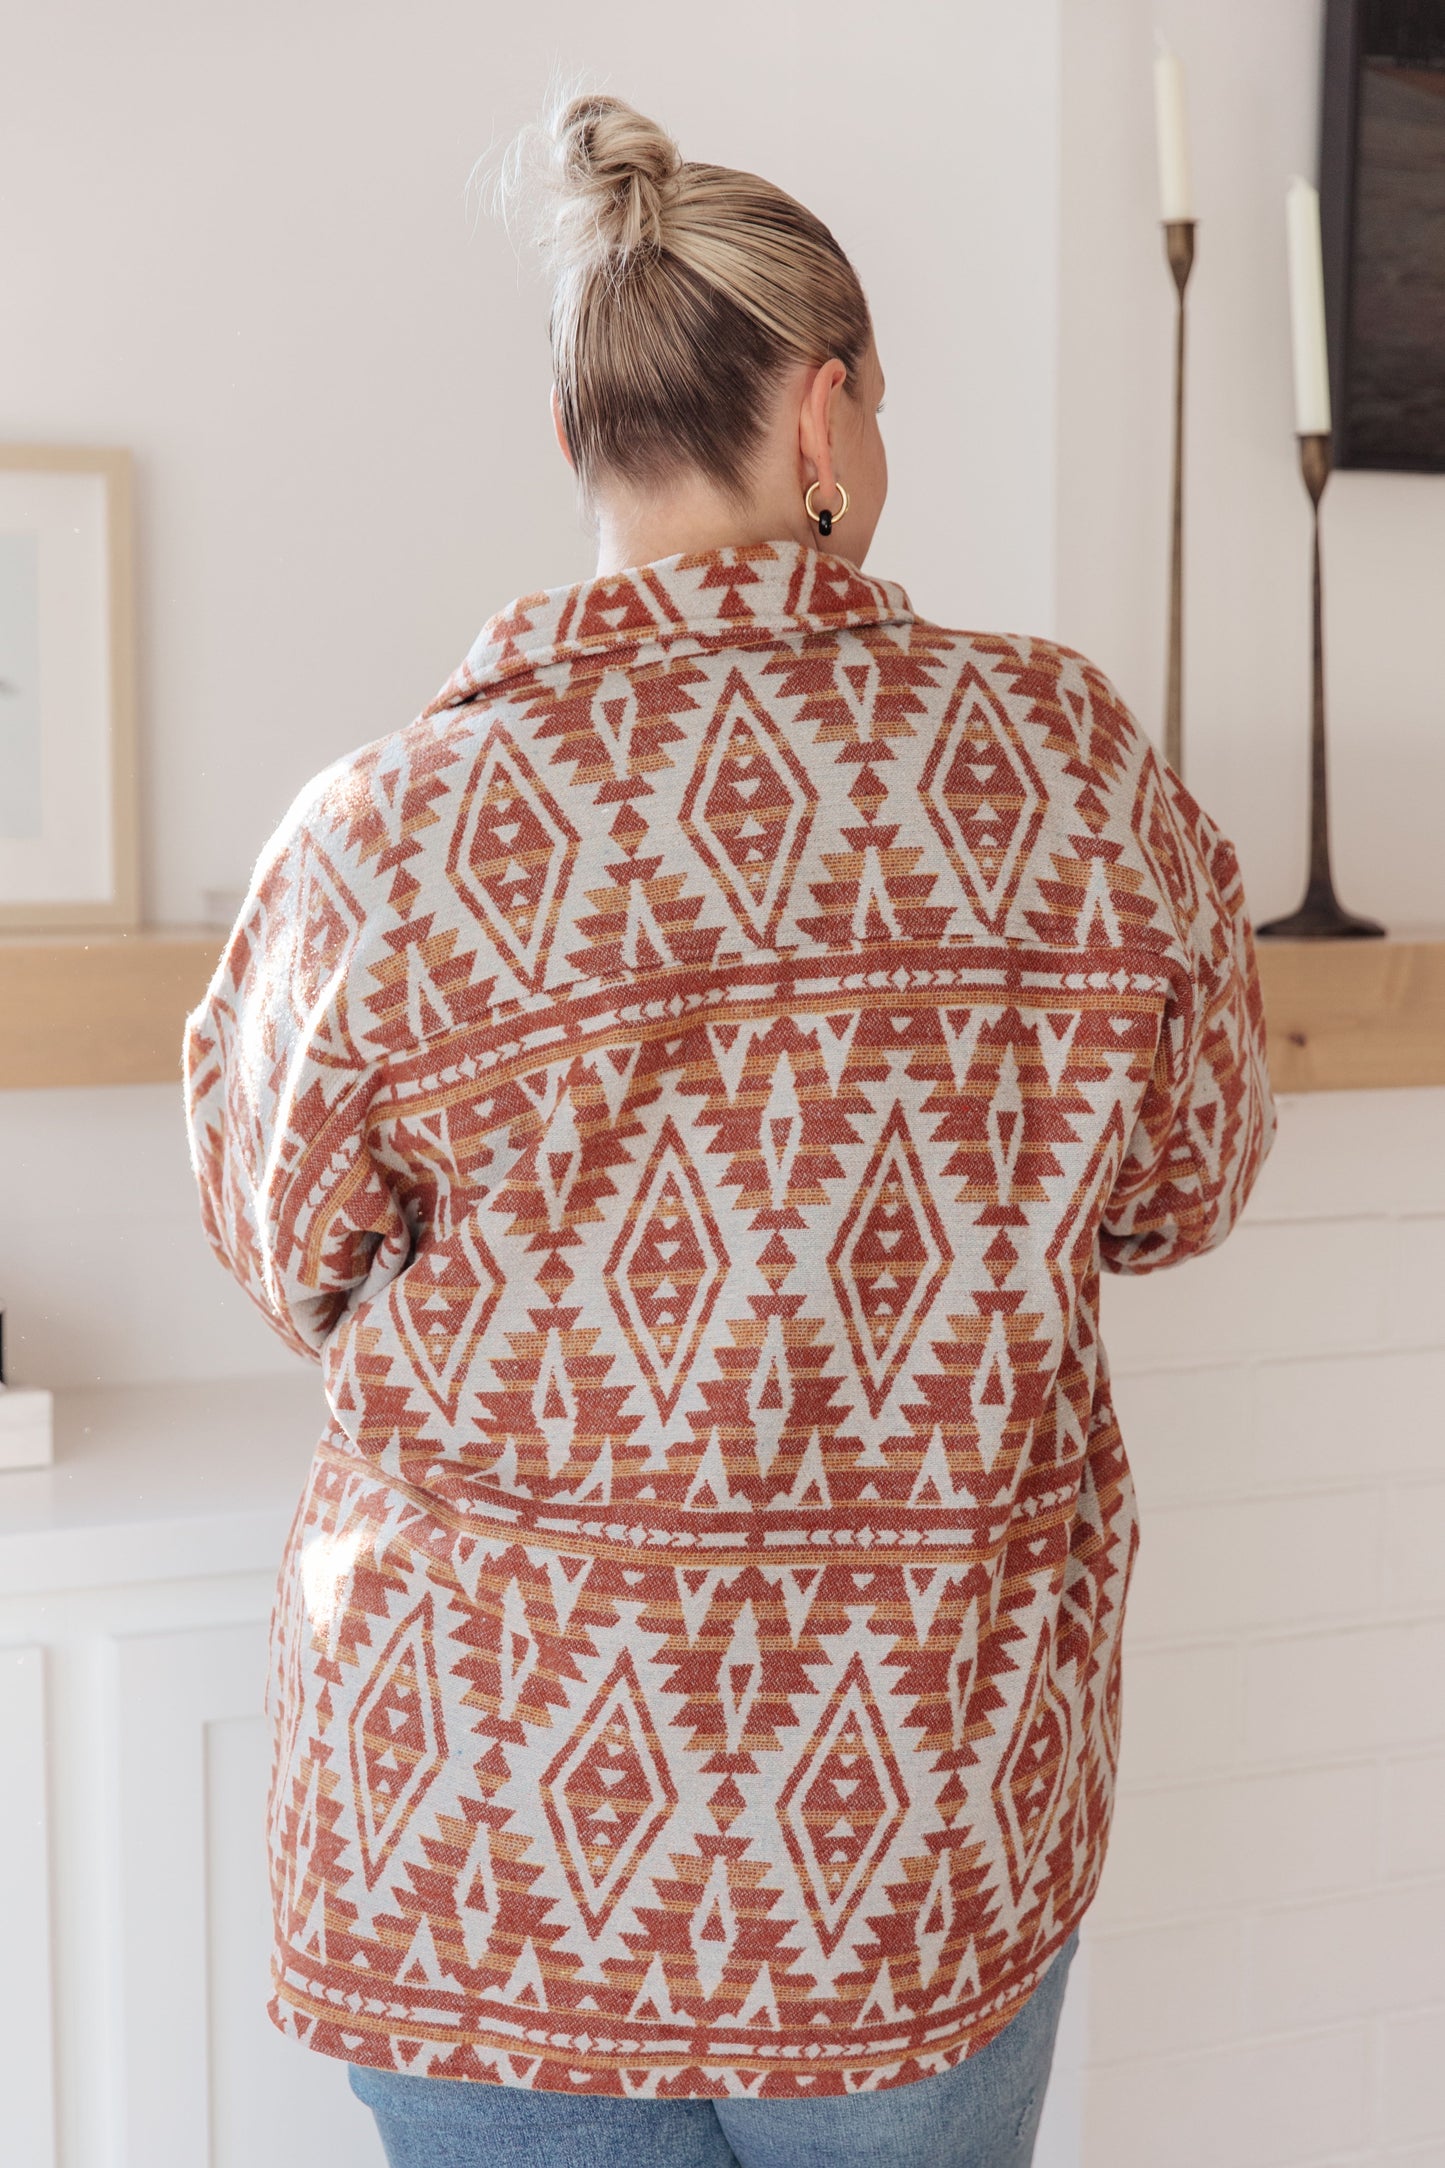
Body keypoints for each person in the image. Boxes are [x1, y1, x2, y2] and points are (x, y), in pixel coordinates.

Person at [183, 90, 1275, 2168]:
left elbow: (284, 1245)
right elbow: (1189, 1175)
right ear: (826, 419)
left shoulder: (382, 834)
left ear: (587, 447)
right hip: (908, 1843)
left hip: (492, 1844)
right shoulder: (1067, 766)